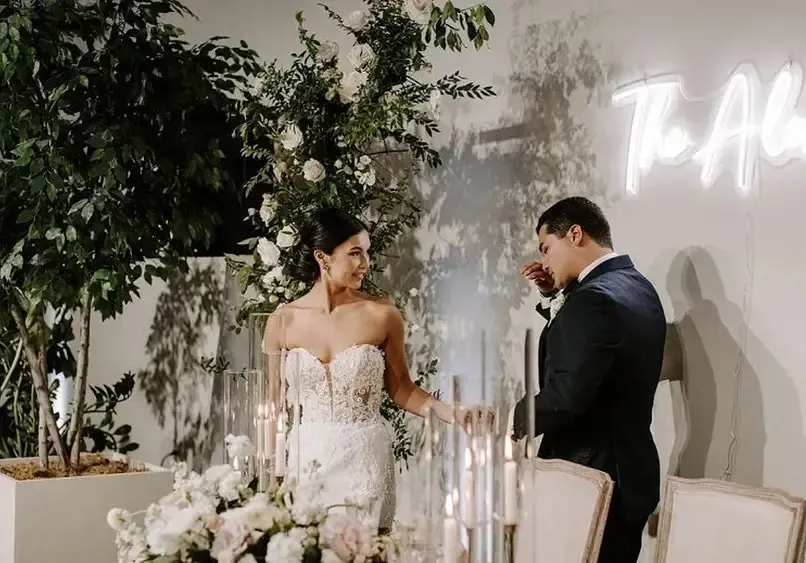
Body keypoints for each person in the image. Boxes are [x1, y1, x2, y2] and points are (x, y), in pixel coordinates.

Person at [263, 207, 474, 531]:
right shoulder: (282, 320)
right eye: (355, 253)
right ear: (324, 258)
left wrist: (454, 413)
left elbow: (402, 389)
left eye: (368, 253)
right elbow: (274, 405)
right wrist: (270, 474)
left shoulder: (381, 314)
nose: (365, 263)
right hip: (306, 462)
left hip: (364, 460)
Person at [512, 196, 666, 563]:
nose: (545, 262)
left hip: (590, 475)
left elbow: (566, 395)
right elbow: (597, 355)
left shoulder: (592, 299)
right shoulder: (639, 288)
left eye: (547, 248)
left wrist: (516, 418)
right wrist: (556, 293)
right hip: (632, 470)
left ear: (576, 234)